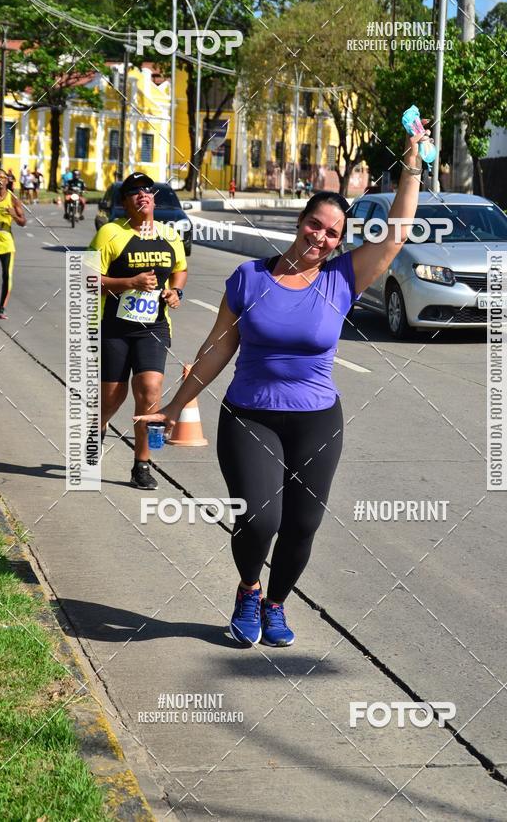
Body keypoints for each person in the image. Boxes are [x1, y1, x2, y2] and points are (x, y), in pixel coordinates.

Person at [137, 118, 430, 647]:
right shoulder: (249, 278)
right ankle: (248, 590)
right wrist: (174, 406)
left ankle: (275, 605)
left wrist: (412, 161)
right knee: (261, 519)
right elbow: (217, 349)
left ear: (340, 241)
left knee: (302, 526)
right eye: (315, 225)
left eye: (332, 233)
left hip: (317, 419)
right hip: (250, 415)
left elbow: (398, 232)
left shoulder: (343, 278)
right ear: (300, 221)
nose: (320, 237)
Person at [88, 171, 188, 488]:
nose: (142, 194)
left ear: (154, 198)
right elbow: (85, 278)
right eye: (134, 191)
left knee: (150, 393)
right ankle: (98, 429)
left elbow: (180, 269)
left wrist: (176, 292)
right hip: (115, 328)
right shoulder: (109, 234)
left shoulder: (170, 236)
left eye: (147, 189)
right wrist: (128, 283)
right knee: (112, 398)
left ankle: (142, 465)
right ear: (124, 202)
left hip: (154, 328)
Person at [0, 168, 26, 319]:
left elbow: (23, 222)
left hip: (7, 242)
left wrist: (14, 214)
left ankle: (1, 308)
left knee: (7, 276)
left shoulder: (13, 199)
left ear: (7, 180)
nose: (0, 180)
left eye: (3, 177)